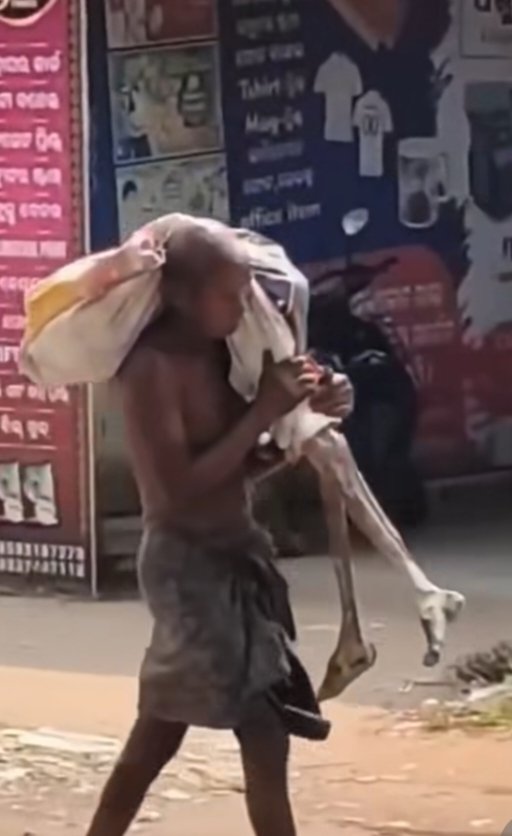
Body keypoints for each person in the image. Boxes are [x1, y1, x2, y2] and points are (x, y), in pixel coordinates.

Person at [85, 224, 353, 836]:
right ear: (182, 295)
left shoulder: (218, 354)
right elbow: (177, 489)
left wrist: (303, 417)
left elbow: (242, 461)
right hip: (186, 566)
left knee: (163, 734)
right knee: (257, 729)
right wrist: (263, 410)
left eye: (245, 292)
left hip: (236, 556)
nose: (241, 308)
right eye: (228, 295)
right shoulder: (150, 368)